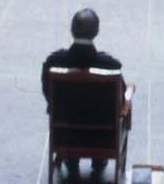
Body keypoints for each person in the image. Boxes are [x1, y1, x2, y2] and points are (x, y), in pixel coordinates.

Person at [41, 9, 126, 180]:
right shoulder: (110, 66)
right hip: (103, 137)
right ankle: (99, 160)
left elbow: (47, 93)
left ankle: (70, 160)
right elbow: (122, 99)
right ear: (97, 32)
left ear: (72, 30)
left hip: (65, 134)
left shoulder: (53, 63)